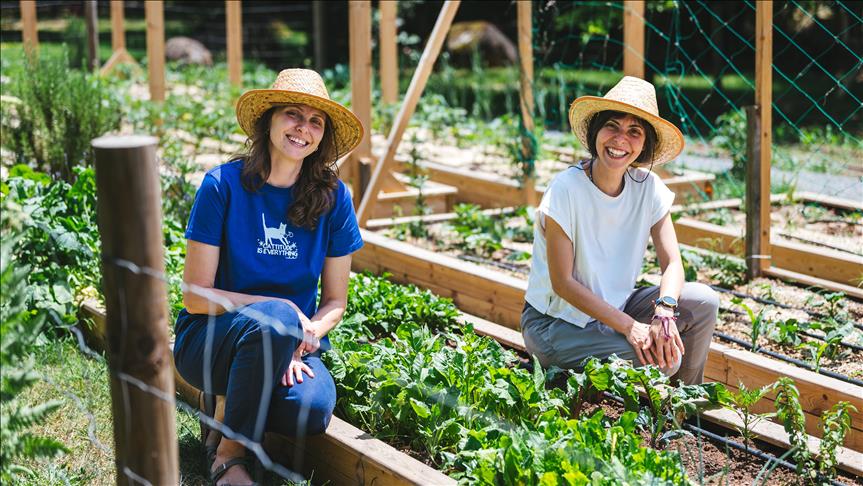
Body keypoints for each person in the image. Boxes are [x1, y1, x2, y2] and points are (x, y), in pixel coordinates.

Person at [173, 68, 364, 486]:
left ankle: (223, 406)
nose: (304, 128)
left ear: (323, 135)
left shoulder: (334, 198)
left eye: (316, 121)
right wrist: (280, 317)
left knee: (310, 411)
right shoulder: (222, 186)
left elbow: (336, 301)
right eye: (293, 114)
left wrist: (302, 331)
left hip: (293, 340)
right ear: (269, 120)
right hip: (210, 337)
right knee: (274, 317)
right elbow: (194, 297)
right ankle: (228, 456)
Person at [521, 76, 718, 386]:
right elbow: (562, 283)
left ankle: (682, 408)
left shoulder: (647, 188)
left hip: (615, 307)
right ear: (595, 132)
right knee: (665, 362)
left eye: (634, 131)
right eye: (612, 126)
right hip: (556, 325)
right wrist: (630, 326)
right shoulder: (566, 190)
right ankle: (659, 399)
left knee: (704, 302)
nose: (620, 140)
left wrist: (665, 312)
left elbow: (673, 264)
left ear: (644, 145)